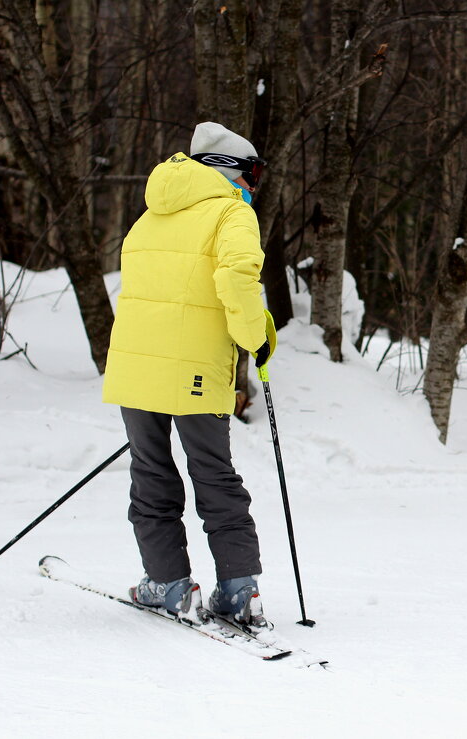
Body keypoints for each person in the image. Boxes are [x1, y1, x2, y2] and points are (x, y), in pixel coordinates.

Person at [102, 121, 274, 626]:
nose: (252, 185)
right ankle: (239, 590)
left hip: (137, 369)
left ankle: (169, 584)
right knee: (215, 475)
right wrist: (256, 339)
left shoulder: (150, 215)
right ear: (226, 170)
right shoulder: (232, 213)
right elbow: (237, 278)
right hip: (195, 369)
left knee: (151, 474)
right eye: (251, 173)